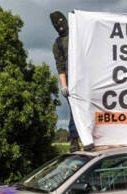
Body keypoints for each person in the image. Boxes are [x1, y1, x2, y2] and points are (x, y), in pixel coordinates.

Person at [50, 11, 81, 153]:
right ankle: (74, 140)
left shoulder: (78, 33)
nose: (60, 25)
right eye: (56, 23)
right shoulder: (57, 44)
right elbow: (60, 66)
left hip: (85, 75)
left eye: (61, 20)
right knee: (75, 110)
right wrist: (64, 85)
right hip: (70, 79)